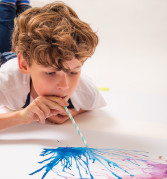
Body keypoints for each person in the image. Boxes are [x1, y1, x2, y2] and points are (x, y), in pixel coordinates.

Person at [0, 0, 106, 130]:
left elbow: (89, 105)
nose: (64, 85)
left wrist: (72, 112)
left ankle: (23, 7)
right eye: (50, 73)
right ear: (24, 64)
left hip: (29, 55)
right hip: (5, 59)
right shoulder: (6, 81)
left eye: (73, 72)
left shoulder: (84, 90)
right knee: (5, 26)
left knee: (24, 27)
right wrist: (22, 116)